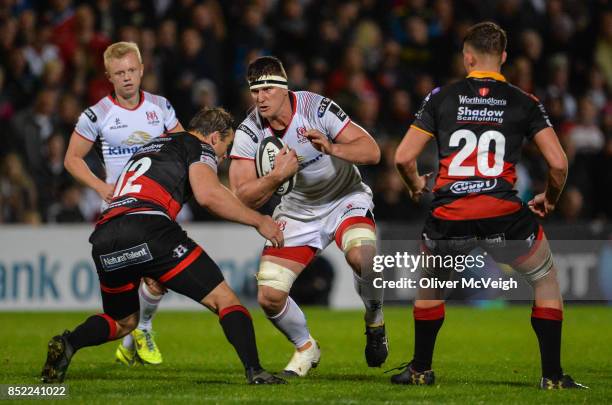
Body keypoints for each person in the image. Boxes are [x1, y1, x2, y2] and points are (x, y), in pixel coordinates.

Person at [393, 22, 587, 390]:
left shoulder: (441, 97)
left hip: (450, 214)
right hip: (503, 213)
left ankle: (420, 370)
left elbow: (403, 157)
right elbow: (559, 163)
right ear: (504, 58)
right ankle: (553, 376)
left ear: (467, 58)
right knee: (544, 280)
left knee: (431, 285)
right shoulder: (524, 102)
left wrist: (415, 186)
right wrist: (551, 198)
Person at [41, 107, 286, 385]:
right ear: (215, 137)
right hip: (149, 228)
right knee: (225, 300)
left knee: (123, 322)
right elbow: (208, 194)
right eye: (226, 148)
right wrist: (258, 221)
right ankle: (255, 371)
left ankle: (69, 343)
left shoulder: (150, 147)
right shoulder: (198, 145)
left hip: (106, 235)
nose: (224, 157)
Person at [228, 56, 386, 377]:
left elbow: (372, 151)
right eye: (255, 91)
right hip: (298, 210)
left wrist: (332, 148)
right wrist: (274, 178)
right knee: (269, 296)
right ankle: (306, 348)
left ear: (285, 89)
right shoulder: (249, 130)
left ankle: (375, 319)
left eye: (268, 89)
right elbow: (241, 194)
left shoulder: (316, 108)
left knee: (363, 258)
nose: (260, 97)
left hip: (344, 197)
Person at [64, 41, 183, 366]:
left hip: (157, 207)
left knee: (158, 278)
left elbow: (183, 148)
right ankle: (134, 334)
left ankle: (142, 330)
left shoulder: (160, 106)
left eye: (132, 70)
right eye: (120, 73)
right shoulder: (98, 114)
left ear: (142, 70)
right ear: (109, 76)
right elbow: (72, 159)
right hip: (119, 212)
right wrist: (102, 187)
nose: (127, 77)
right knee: (131, 294)